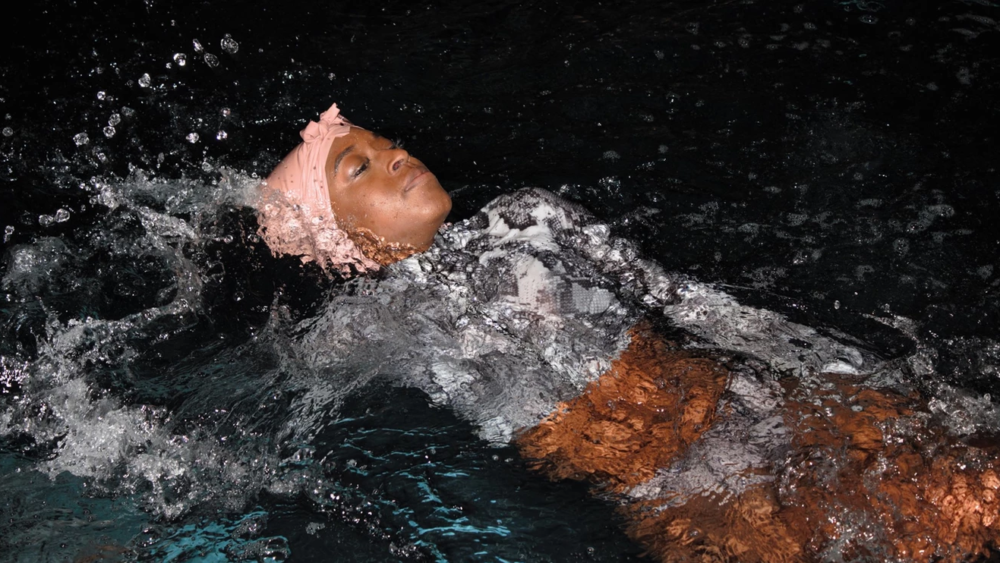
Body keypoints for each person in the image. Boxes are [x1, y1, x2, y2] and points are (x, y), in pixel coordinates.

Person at [257, 103, 1000, 563]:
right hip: (682, 495)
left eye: (384, 141)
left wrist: (839, 370)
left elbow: (690, 302)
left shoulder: (530, 216)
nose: (395, 154)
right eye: (359, 168)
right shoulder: (366, 322)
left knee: (975, 490)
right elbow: (276, 390)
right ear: (338, 243)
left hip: (757, 404)